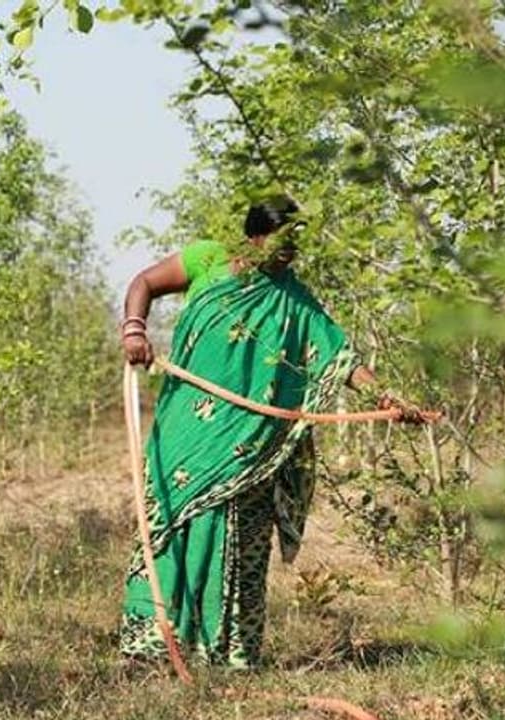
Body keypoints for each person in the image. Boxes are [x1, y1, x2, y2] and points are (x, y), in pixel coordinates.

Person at [118, 196, 414, 668]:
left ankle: (226, 655)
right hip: (184, 433)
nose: (291, 251)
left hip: (251, 446)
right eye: (283, 239)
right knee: (172, 525)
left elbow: (341, 359)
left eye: (297, 242)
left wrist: (387, 399)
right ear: (255, 234)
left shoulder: (296, 300)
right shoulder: (208, 260)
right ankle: (150, 650)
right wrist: (135, 330)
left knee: (239, 539)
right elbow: (145, 283)